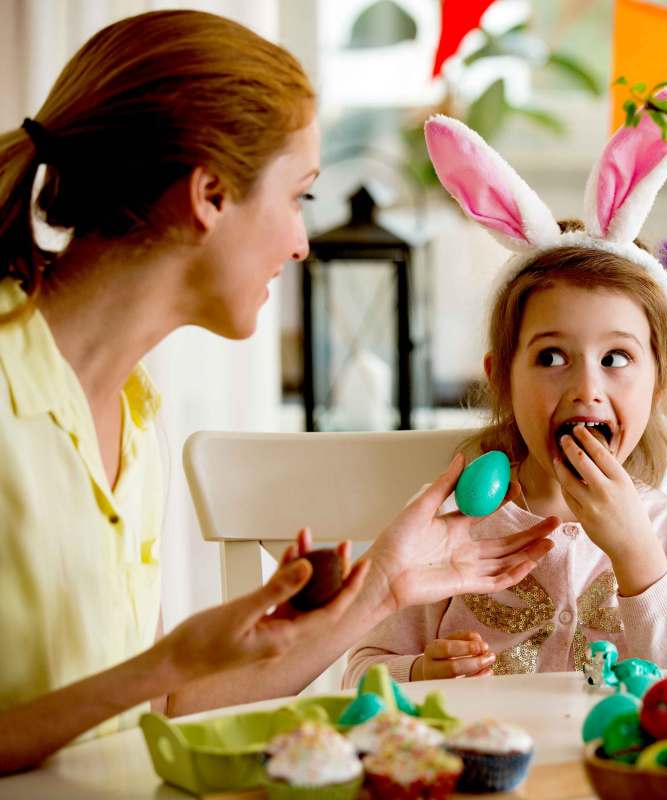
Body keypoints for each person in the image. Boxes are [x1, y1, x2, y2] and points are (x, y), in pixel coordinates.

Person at [0, 10, 556, 774]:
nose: (301, 242)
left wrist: (382, 591)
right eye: (298, 197)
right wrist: (164, 663)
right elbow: (149, 687)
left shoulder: (134, 416)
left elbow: (154, 714)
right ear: (211, 194)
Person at [344, 92, 667, 684]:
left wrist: (636, 554)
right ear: (500, 375)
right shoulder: (449, 529)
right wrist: (419, 671)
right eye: (551, 356)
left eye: (617, 358)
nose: (585, 387)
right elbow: (362, 675)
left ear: (660, 382)